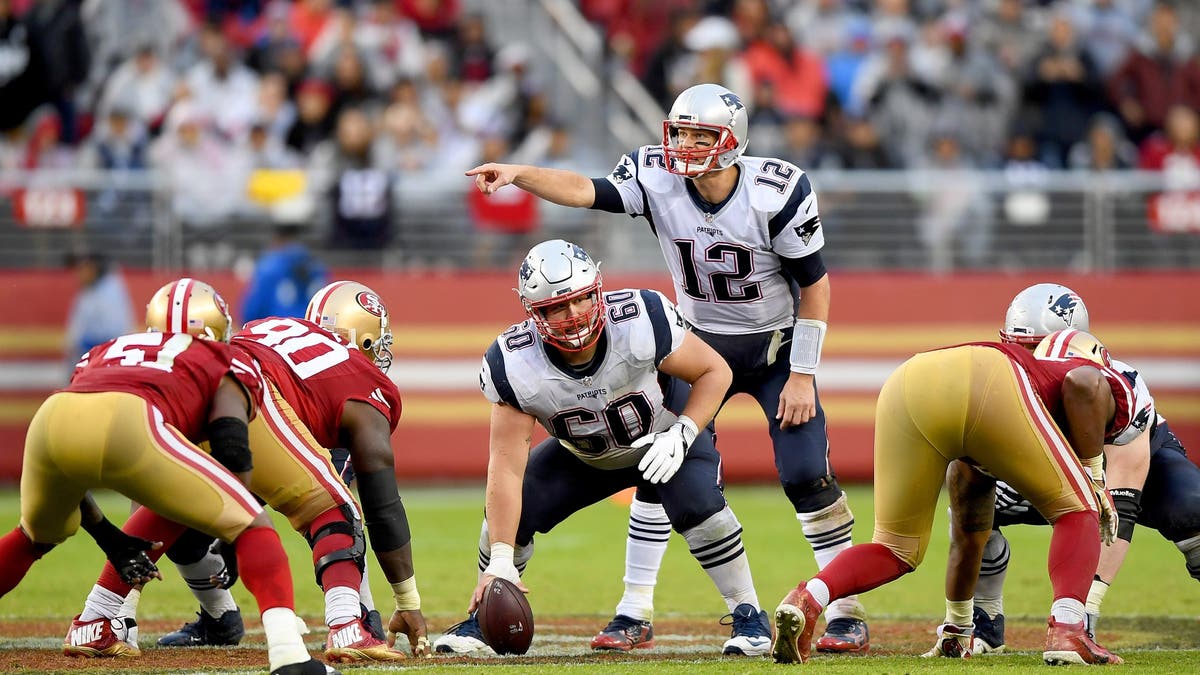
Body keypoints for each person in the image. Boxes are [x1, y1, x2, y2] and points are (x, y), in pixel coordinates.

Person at [465, 83, 869, 653]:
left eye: (701, 136)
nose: (684, 146)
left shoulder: (775, 190)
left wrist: (802, 372)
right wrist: (519, 174)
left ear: (732, 140)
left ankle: (846, 608)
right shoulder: (657, 175)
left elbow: (815, 285)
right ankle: (635, 610)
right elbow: (586, 190)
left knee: (807, 475)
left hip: (775, 348)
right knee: (657, 461)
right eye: (679, 133)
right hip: (698, 345)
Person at [434, 240, 773, 656]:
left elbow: (714, 370)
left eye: (580, 300)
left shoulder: (641, 318)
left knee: (700, 505)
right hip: (586, 454)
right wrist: (501, 558)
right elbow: (505, 468)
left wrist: (684, 433)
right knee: (510, 511)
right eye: (557, 307)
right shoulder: (514, 362)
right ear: (533, 312)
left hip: (663, 435)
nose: (573, 314)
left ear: (598, 290)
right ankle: (483, 618)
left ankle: (749, 612)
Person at [66, 279, 428, 662]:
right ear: (366, 340)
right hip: (247, 392)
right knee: (332, 508)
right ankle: (346, 625)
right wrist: (407, 601)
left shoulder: (267, 327)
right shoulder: (359, 378)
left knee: (175, 500)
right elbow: (381, 504)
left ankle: (97, 617)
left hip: (173, 388)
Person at [0, 283, 334, 675]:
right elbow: (231, 444)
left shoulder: (109, 348)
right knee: (253, 524)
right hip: (129, 420)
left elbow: (75, 458)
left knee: (33, 536)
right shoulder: (222, 358)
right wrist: (234, 527)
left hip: (50, 419)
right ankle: (290, 657)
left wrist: (110, 537)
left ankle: (97, 621)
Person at [770, 329, 1139, 666]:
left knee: (894, 548)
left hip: (908, 381)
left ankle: (808, 598)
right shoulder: (1096, 376)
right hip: (991, 381)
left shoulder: (1018, 405)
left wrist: (958, 627)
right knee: (1080, 508)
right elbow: (1085, 382)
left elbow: (968, 537)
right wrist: (1095, 475)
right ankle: (1068, 630)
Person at [928, 283, 1200, 657]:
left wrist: (1084, 609)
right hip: (1051, 468)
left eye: (1033, 348)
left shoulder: (1120, 389)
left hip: (1130, 471)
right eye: (1015, 347)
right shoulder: (1000, 384)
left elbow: (1118, 510)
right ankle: (985, 620)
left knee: (1192, 509)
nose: (1024, 360)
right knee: (971, 507)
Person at [240, 222, 328, 322]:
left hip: (277, 328)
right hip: (311, 328)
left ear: (277, 237)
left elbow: (252, 311)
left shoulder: (268, 267)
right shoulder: (317, 266)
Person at [63, 251, 135, 371]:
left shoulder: (109, 291)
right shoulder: (89, 291)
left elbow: (113, 331)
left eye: (83, 269)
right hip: (93, 352)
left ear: (95, 269)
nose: (78, 274)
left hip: (105, 353)